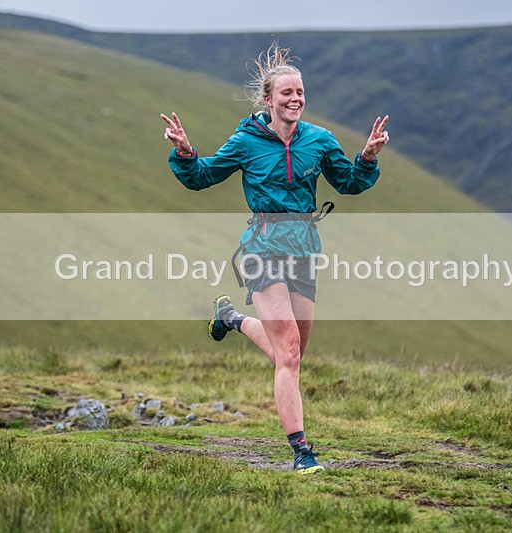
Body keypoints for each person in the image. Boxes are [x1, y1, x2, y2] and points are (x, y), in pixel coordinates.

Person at [161, 44, 389, 474]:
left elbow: (349, 183)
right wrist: (187, 154)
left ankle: (230, 320)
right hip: (261, 248)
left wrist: (368, 158)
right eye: (286, 93)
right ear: (268, 100)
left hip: (304, 249)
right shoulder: (247, 140)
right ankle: (303, 453)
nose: (295, 99)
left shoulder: (319, 140)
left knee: (294, 351)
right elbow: (204, 177)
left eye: (300, 91)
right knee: (288, 354)